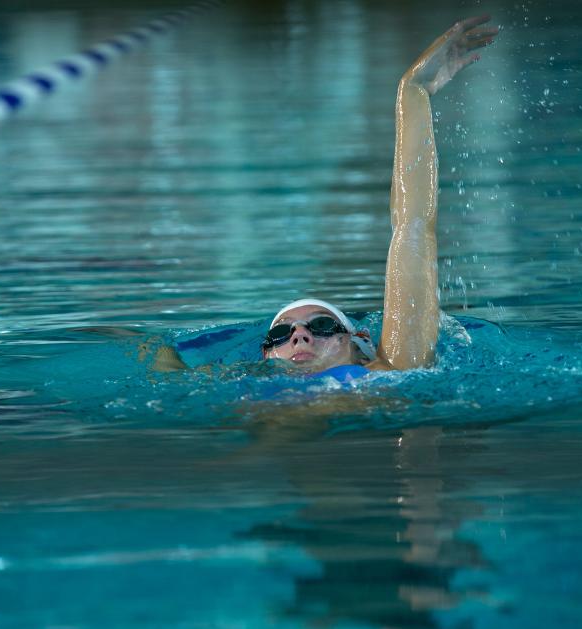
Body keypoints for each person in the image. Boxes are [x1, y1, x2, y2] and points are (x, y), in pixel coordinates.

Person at [153, 17, 499, 378]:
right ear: (266, 356)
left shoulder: (391, 370)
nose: (300, 336)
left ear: (362, 342)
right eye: (280, 335)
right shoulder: (239, 394)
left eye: (321, 326)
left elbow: (412, 227)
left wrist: (412, 92)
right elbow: (166, 370)